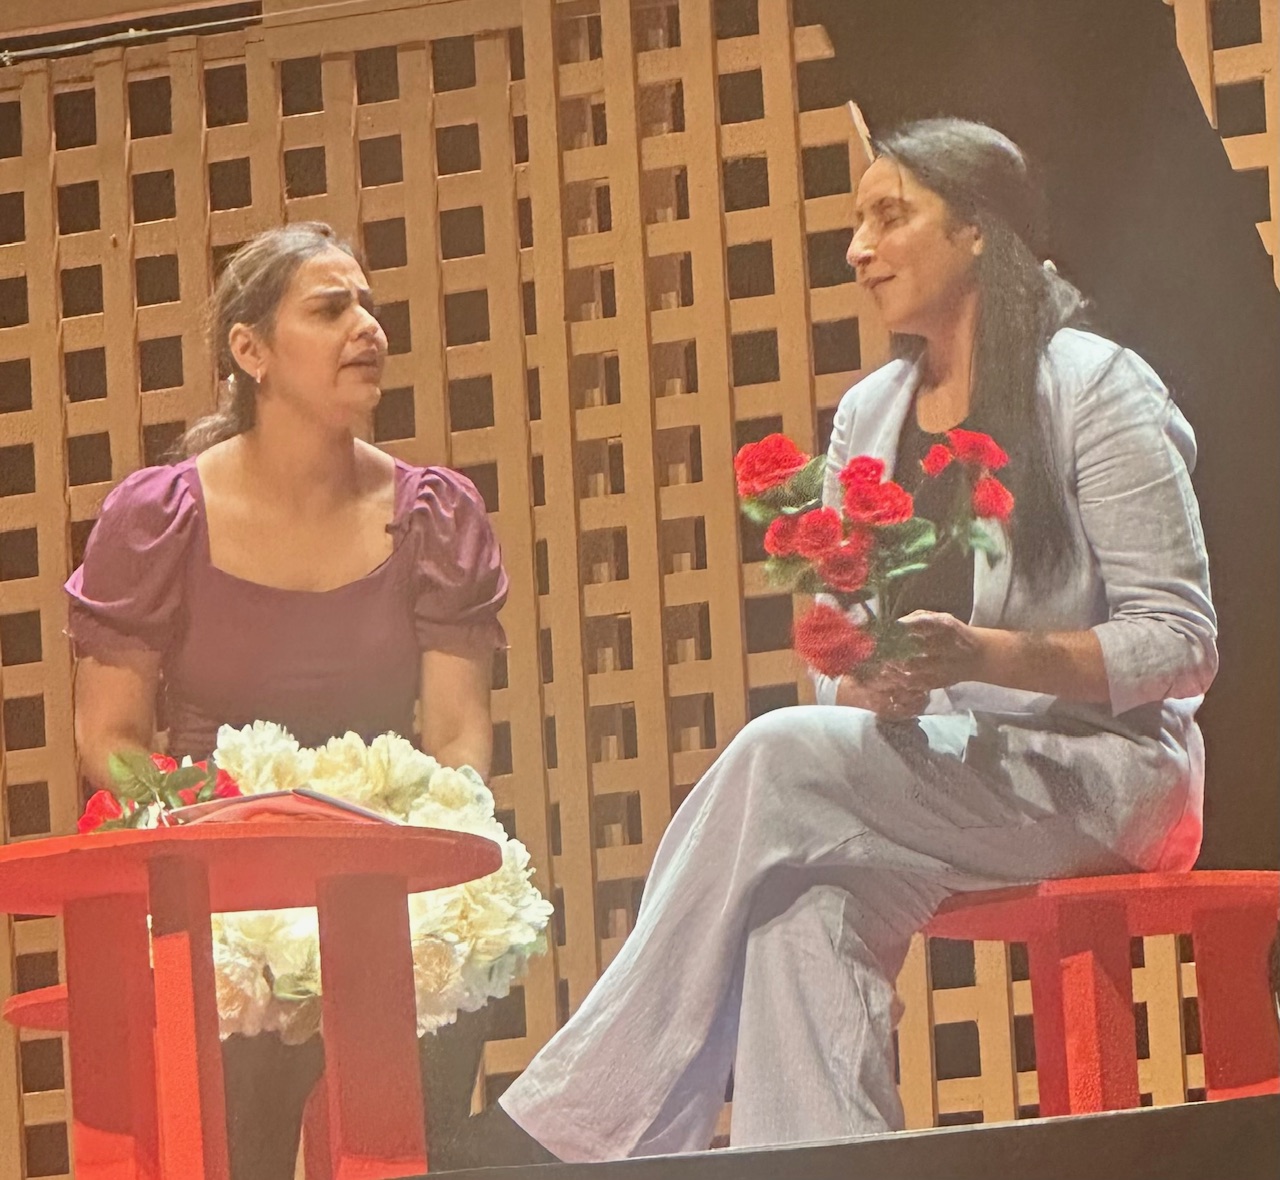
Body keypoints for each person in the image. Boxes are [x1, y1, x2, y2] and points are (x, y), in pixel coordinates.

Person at [440, 118, 1217, 1167]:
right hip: (930, 773)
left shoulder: (1095, 386)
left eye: (889, 216)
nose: (857, 248)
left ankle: (568, 1129)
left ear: (978, 231)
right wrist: (865, 684)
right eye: (856, 221)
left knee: (776, 752)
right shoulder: (870, 413)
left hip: (1096, 778)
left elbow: (1177, 643)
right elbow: (835, 647)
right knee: (799, 905)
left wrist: (982, 656)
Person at [64, 222, 509, 1179]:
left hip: (382, 877)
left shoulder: (435, 516)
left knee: (403, 1138)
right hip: (215, 883)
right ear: (251, 351)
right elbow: (111, 737)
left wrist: (423, 838)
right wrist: (210, 824)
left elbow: (457, 736)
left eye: (369, 307)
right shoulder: (158, 518)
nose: (367, 328)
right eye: (331, 308)